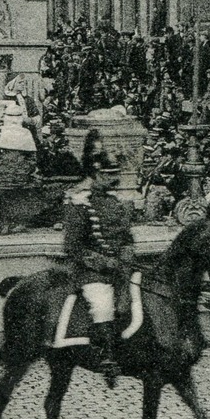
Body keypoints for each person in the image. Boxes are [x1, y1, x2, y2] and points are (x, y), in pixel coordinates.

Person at [60, 150, 135, 382]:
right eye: (106, 174)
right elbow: (72, 247)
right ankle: (107, 356)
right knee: (102, 303)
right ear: (95, 175)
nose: (112, 179)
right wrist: (103, 262)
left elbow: (126, 237)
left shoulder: (115, 203)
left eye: (115, 174)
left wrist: (126, 254)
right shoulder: (80, 202)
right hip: (90, 271)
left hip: (121, 267)